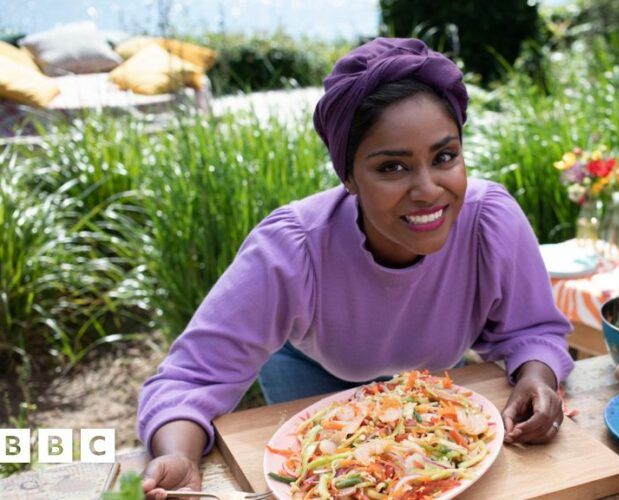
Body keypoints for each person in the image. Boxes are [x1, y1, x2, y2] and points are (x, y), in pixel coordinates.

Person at [138, 37, 574, 498]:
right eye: (392, 168)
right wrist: (179, 455)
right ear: (348, 177)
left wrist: (536, 375)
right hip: (315, 369)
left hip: (430, 377)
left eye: (445, 157)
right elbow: (193, 376)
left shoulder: (491, 220)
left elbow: (533, 331)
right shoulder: (291, 247)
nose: (428, 190)